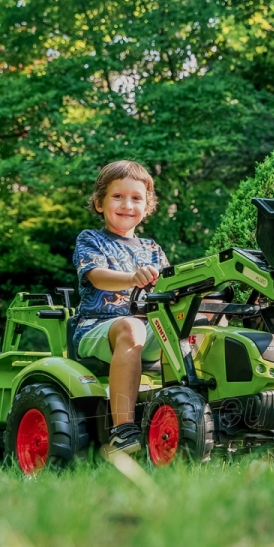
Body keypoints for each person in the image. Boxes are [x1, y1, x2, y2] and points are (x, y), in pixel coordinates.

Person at [71, 160, 169, 459]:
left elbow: (169, 287)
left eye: (136, 198)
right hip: (97, 327)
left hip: (146, 329)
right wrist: (132, 278)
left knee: (196, 323)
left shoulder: (152, 248)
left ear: (147, 207)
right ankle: (122, 431)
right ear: (100, 203)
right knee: (131, 326)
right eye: (118, 197)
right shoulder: (91, 239)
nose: (127, 204)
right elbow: (96, 276)